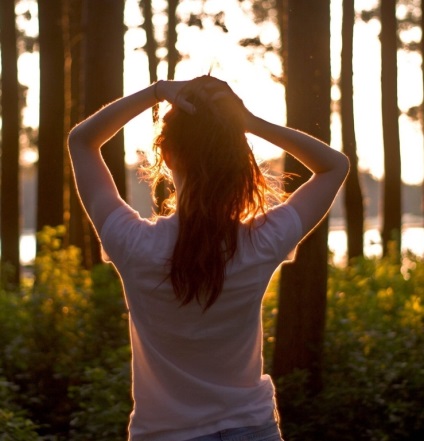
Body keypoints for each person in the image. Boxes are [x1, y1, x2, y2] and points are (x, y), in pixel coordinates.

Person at [68, 76, 349, 441]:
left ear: (166, 155)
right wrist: (249, 123)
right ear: (236, 158)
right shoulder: (260, 242)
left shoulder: (134, 244)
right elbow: (334, 166)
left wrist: (155, 91)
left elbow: (82, 141)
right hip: (251, 429)